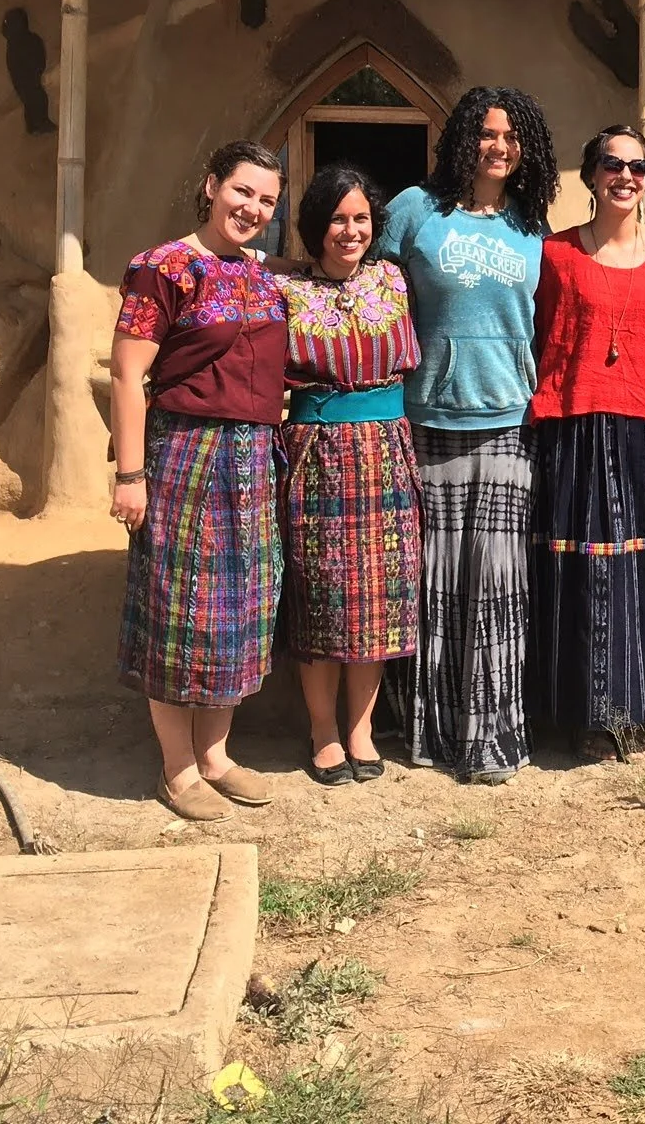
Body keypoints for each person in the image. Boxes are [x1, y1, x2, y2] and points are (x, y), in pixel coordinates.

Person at [374, 87, 559, 785]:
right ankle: (427, 728)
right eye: (486, 132)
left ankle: (491, 734)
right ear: (461, 138)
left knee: (496, 585)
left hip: (508, 423)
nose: (499, 145)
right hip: (426, 421)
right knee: (433, 584)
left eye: (512, 135)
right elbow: (374, 298)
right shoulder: (414, 212)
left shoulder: (529, 227)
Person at [110, 140, 288, 822]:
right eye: (242, 192)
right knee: (178, 612)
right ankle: (177, 767)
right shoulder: (162, 268)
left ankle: (217, 756)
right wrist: (131, 475)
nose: (252, 209)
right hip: (185, 454)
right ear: (211, 185)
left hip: (253, 458)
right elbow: (127, 374)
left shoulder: (265, 277)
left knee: (239, 613)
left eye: (267, 200)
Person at [529, 124, 645, 760]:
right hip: (574, 416)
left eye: (639, 167)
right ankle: (586, 715)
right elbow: (537, 330)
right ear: (591, 174)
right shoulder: (555, 255)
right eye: (612, 164)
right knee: (579, 566)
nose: (626, 176)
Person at [277, 165, 423, 786]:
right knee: (324, 597)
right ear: (315, 225)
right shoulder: (285, 291)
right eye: (338, 218)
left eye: (361, 218)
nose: (351, 230)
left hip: (387, 451)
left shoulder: (394, 280)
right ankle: (323, 731)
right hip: (318, 457)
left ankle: (362, 730)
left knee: (377, 602)